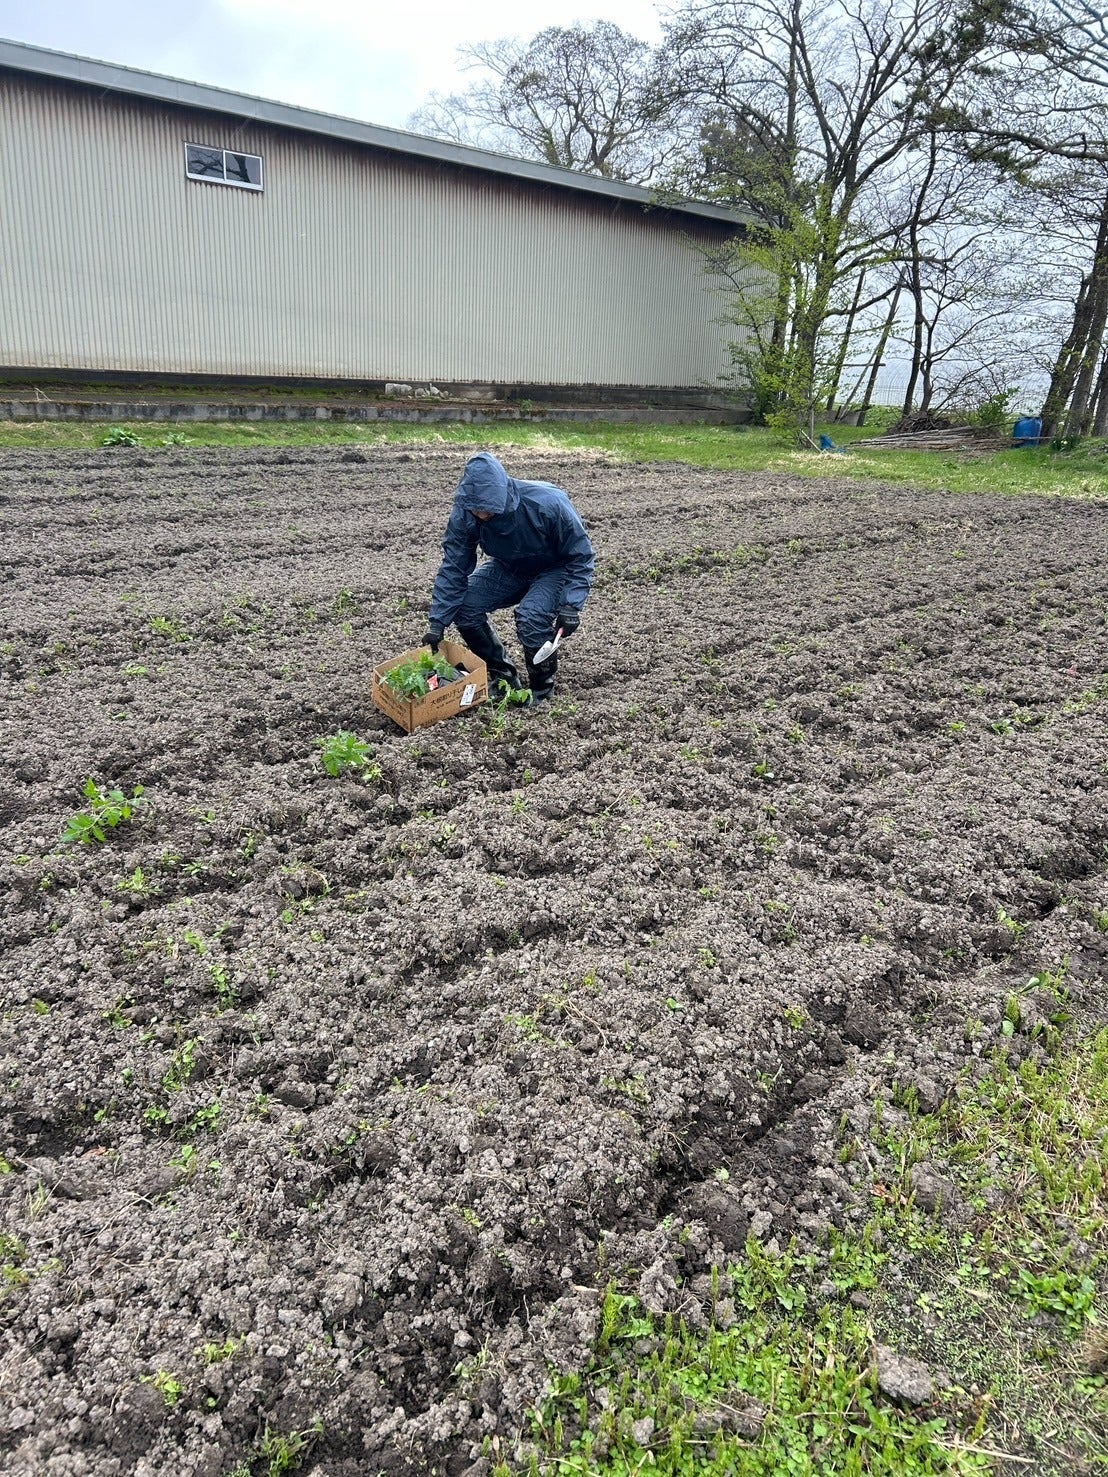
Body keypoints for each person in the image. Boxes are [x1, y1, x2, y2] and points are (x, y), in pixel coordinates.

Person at [422, 451, 594, 703]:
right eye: (476, 509)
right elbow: (454, 566)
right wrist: (438, 621)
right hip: (510, 566)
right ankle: (503, 674)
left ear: (501, 496)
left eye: (488, 510)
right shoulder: (465, 514)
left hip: (555, 568)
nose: (481, 515)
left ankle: (541, 691)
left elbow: (580, 555)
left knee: (531, 615)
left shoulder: (547, 503)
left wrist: (571, 605)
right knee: (465, 605)